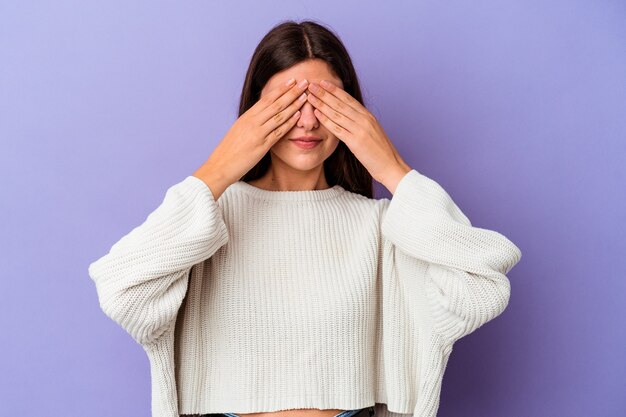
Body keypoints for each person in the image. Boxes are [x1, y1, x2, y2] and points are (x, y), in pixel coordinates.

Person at [87, 20, 522, 417]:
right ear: (254, 113)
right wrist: (217, 170)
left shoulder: (381, 225)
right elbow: (124, 293)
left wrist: (393, 169)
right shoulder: (207, 221)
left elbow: (477, 290)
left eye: (328, 102)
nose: (309, 121)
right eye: (289, 102)